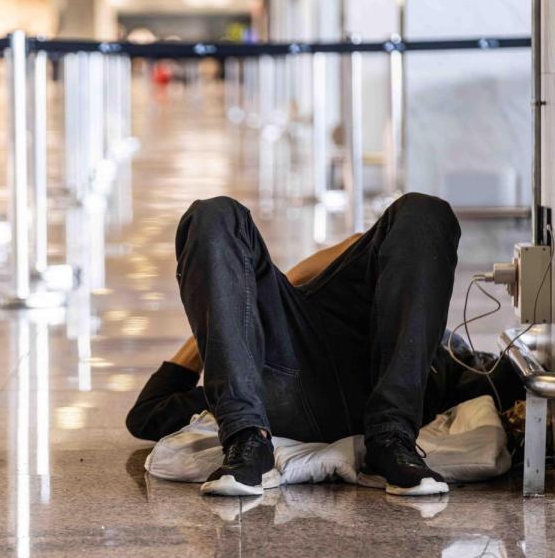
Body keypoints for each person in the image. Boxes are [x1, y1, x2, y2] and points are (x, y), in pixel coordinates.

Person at [125, 193, 523, 497]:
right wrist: (228, 314)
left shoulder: (430, 350)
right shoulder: (242, 378)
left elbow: (146, 415)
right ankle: (247, 440)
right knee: (213, 214)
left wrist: (226, 316)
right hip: (277, 371)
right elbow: (145, 416)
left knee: (425, 210)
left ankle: (391, 440)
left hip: (376, 376)